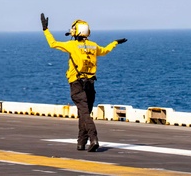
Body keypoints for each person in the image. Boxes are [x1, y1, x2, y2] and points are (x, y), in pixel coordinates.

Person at [40, 13, 127, 152]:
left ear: (76, 31)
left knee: (84, 113)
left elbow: (53, 44)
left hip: (76, 83)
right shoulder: (93, 46)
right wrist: (115, 43)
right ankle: (81, 142)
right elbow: (105, 50)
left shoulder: (72, 45)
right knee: (84, 112)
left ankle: (94, 138)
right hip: (90, 83)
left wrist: (45, 29)